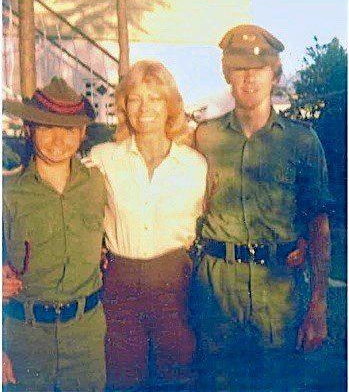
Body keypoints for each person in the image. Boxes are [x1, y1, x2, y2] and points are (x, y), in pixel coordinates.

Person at [193, 24, 331, 390]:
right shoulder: (203, 137)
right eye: (239, 70)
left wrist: (318, 305)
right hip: (218, 291)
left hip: (279, 292)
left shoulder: (302, 142)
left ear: (274, 75)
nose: (249, 79)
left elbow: (318, 226)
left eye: (258, 70)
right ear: (228, 76)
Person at [88, 60, 207, 390]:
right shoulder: (102, 157)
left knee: (177, 375)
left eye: (155, 98)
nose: (145, 108)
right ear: (124, 105)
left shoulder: (194, 166)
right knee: (123, 377)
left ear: (170, 105)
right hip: (119, 282)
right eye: (135, 98)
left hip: (175, 282)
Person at [2, 77, 107, 391]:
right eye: (47, 128)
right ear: (30, 130)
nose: (58, 140)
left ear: (82, 133)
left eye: (69, 130)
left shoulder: (98, 181)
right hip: (25, 339)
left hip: (85, 337)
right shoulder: (8, 191)